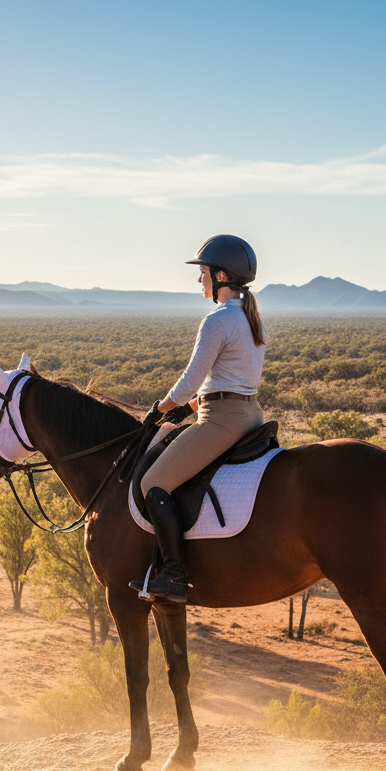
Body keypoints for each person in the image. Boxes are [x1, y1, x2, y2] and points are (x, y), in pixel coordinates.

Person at [129, 235, 267, 604]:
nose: (200, 280)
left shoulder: (217, 321)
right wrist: (186, 409)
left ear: (221, 275)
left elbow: (191, 381)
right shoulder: (252, 320)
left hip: (223, 420)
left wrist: (160, 408)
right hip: (250, 414)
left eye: (203, 273)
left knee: (154, 483)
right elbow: (228, 382)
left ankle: (174, 577)